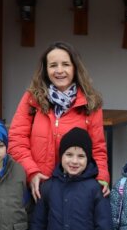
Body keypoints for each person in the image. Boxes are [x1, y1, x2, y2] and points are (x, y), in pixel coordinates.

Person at [9, 42, 109, 201]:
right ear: (45, 70)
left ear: (75, 68)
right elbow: (16, 141)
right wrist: (32, 173)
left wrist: (102, 177)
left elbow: (97, 148)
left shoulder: (90, 103)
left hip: (76, 189)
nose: (59, 70)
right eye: (53, 65)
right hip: (38, 189)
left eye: (66, 64)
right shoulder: (32, 99)